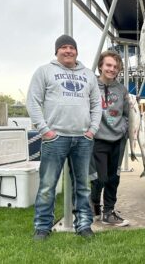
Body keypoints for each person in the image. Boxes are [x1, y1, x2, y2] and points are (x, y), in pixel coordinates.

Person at [26, 34, 101, 240]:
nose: (68, 51)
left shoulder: (88, 75)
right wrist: (45, 131)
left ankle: (84, 225)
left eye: (72, 48)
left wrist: (92, 130)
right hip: (55, 138)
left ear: (77, 51)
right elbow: (33, 102)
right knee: (47, 185)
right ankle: (42, 227)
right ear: (56, 51)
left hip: (83, 139)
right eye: (64, 47)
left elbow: (96, 105)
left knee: (83, 186)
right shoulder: (44, 72)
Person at [89, 51, 130, 227]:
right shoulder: (91, 86)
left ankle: (108, 212)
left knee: (114, 178)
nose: (111, 69)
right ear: (100, 66)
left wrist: (124, 129)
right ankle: (94, 204)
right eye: (108, 65)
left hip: (118, 140)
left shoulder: (122, 90)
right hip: (97, 139)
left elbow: (128, 114)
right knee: (99, 178)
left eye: (115, 66)